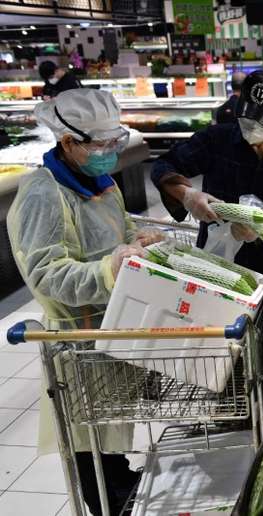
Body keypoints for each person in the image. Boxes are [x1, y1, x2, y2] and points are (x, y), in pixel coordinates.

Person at [7, 89, 162, 515]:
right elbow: (46, 273)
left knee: (109, 436)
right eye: (100, 144)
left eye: (116, 141)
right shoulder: (44, 195)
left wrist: (136, 241)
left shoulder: (100, 180)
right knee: (88, 446)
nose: (110, 152)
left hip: (110, 328)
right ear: (68, 141)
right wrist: (108, 270)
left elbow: (120, 229)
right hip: (76, 339)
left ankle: (121, 484)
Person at [151, 71, 263, 411]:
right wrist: (187, 194)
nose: (252, 127)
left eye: (262, 120)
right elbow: (163, 165)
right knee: (221, 339)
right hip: (215, 262)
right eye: (246, 117)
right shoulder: (215, 139)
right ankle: (228, 406)